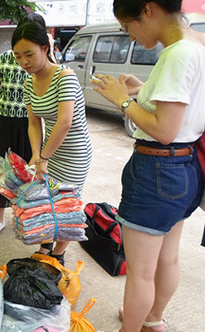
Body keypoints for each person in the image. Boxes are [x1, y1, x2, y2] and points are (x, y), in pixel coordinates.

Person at [90, 1, 205, 332]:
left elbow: (164, 130)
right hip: (185, 168)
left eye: (128, 26)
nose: (130, 35)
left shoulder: (177, 53)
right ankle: (152, 319)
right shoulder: (196, 44)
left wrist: (121, 100)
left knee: (140, 272)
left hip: (158, 171)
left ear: (148, 9)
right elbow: (180, 112)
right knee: (168, 257)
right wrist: (142, 93)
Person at [12, 21, 93, 265]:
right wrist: (36, 154)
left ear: (46, 49)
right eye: (18, 56)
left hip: (75, 151)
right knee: (48, 201)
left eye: (29, 54)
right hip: (50, 149)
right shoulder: (28, 82)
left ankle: (59, 255)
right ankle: (46, 245)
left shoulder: (64, 77)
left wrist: (44, 157)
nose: (24, 62)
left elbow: (64, 122)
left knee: (67, 203)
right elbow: (33, 123)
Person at [0, 13, 47, 239]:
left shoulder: (44, 62)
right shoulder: (5, 59)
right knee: (0, 170)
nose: (24, 58)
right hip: (5, 121)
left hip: (31, 124)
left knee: (28, 173)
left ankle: (25, 217)